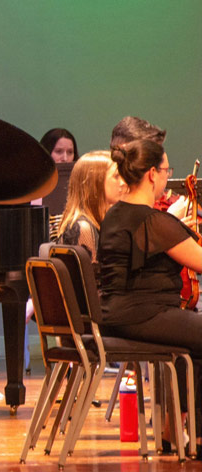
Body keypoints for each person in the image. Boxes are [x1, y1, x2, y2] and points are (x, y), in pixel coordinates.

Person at [99, 138, 202, 455]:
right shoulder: (151, 221)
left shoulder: (116, 214)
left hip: (117, 314)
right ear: (152, 175)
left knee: (195, 344)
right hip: (141, 316)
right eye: (166, 169)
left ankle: (182, 431)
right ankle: (189, 433)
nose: (166, 175)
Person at [24, 151, 125, 373]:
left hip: (90, 323)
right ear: (96, 183)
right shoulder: (84, 228)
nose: (123, 183)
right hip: (93, 328)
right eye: (116, 177)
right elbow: (93, 294)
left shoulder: (88, 224)